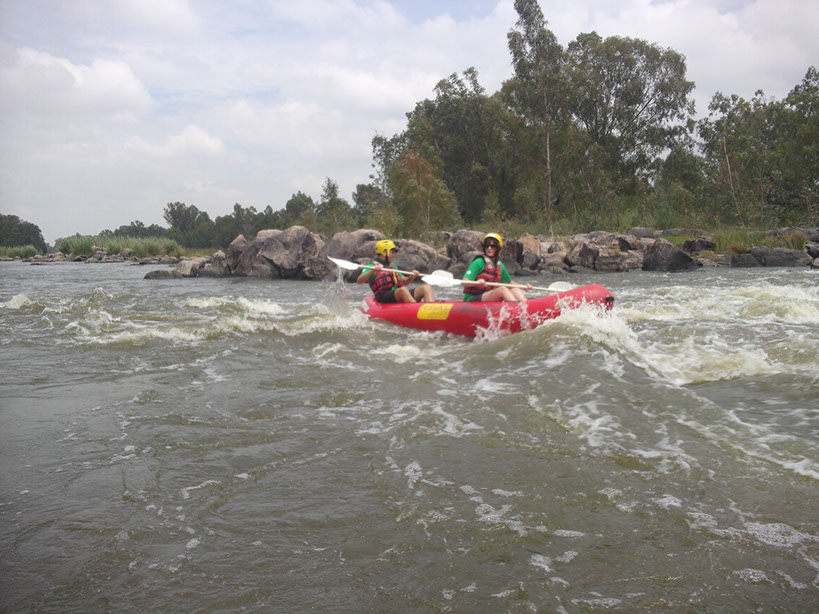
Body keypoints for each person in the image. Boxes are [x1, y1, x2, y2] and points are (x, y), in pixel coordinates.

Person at [357, 239, 435, 303]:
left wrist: (412, 276)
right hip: (384, 297)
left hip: (398, 294)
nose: (393, 255)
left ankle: (432, 309)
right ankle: (416, 309)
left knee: (426, 288)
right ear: (385, 252)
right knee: (402, 290)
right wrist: (372, 271)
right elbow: (359, 281)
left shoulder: (392, 266)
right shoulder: (371, 266)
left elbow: (404, 282)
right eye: (392, 252)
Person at [462, 233, 532, 302]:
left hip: (489, 295)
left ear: (498, 248)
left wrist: (524, 287)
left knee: (515, 289)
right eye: (487, 246)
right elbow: (464, 282)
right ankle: (514, 307)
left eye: (493, 246)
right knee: (502, 289)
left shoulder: (500, 265)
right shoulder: (479, 262)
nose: (489, 248)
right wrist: (476, 283)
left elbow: (508, 283)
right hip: (472, 297)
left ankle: (525, 306)